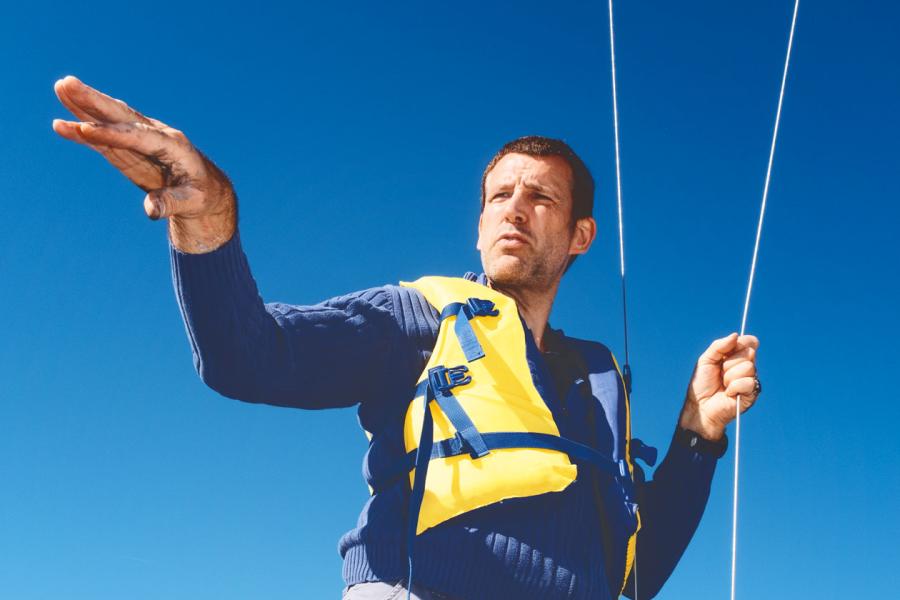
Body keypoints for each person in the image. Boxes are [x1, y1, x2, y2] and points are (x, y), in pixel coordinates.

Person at [52, 75, 761, 600]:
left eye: (540, 197)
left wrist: (697, 434)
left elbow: (637, 569)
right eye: (498, 197)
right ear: (479, 224)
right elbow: (248, 357)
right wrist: (206, 218)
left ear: (581, 236)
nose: (514, 210)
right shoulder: (416, 314)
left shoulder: (597, 382)